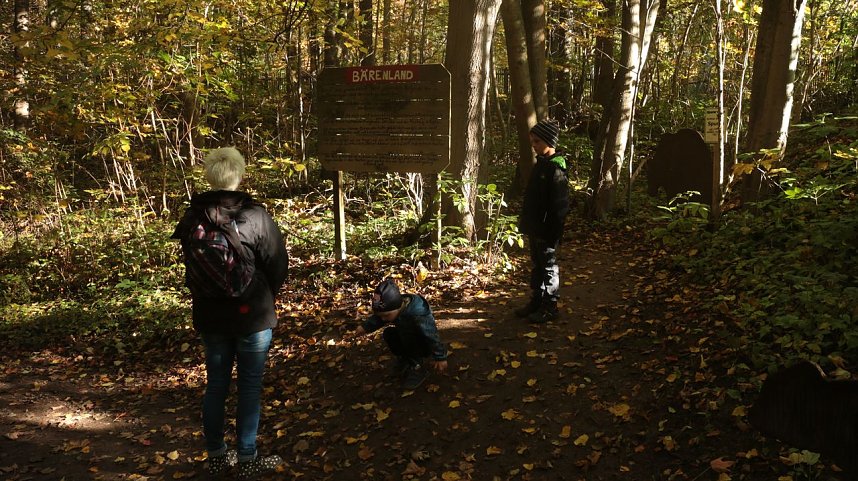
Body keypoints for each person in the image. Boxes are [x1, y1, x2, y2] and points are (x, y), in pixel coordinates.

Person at [171, 147, 288, 479]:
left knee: (216, 385)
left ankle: (216, 456)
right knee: (249, 386)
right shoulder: (256, 217)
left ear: (209, 175)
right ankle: (248, 458)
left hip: (211, 316)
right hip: (252, 315)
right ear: (239, 174)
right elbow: (278, 264)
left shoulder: (193, 217)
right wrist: (265, 296)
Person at [515, 120, 570, 324]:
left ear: (549, 141)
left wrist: (553, 232)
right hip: (535, 226)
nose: (533, 144)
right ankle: (537, 300)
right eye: (532, 140)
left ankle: (551, 305)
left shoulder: (556, 169)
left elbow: (559, 207)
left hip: (546, 230)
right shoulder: (542, 164)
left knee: (548, 266)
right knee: (537, 264)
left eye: (537, 141)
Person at [351, 279, 448, 390]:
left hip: (422, 343)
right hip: (405, 335)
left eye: (386, 316)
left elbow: (431, 335)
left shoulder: (418, 315)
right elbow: (379, 318)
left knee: (408, 338)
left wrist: (440, 357)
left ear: (397, 307)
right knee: (389, 334)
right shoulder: (394, 307)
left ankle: (417, 366)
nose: (383, 319)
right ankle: (405, 359)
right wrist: (365, 327)